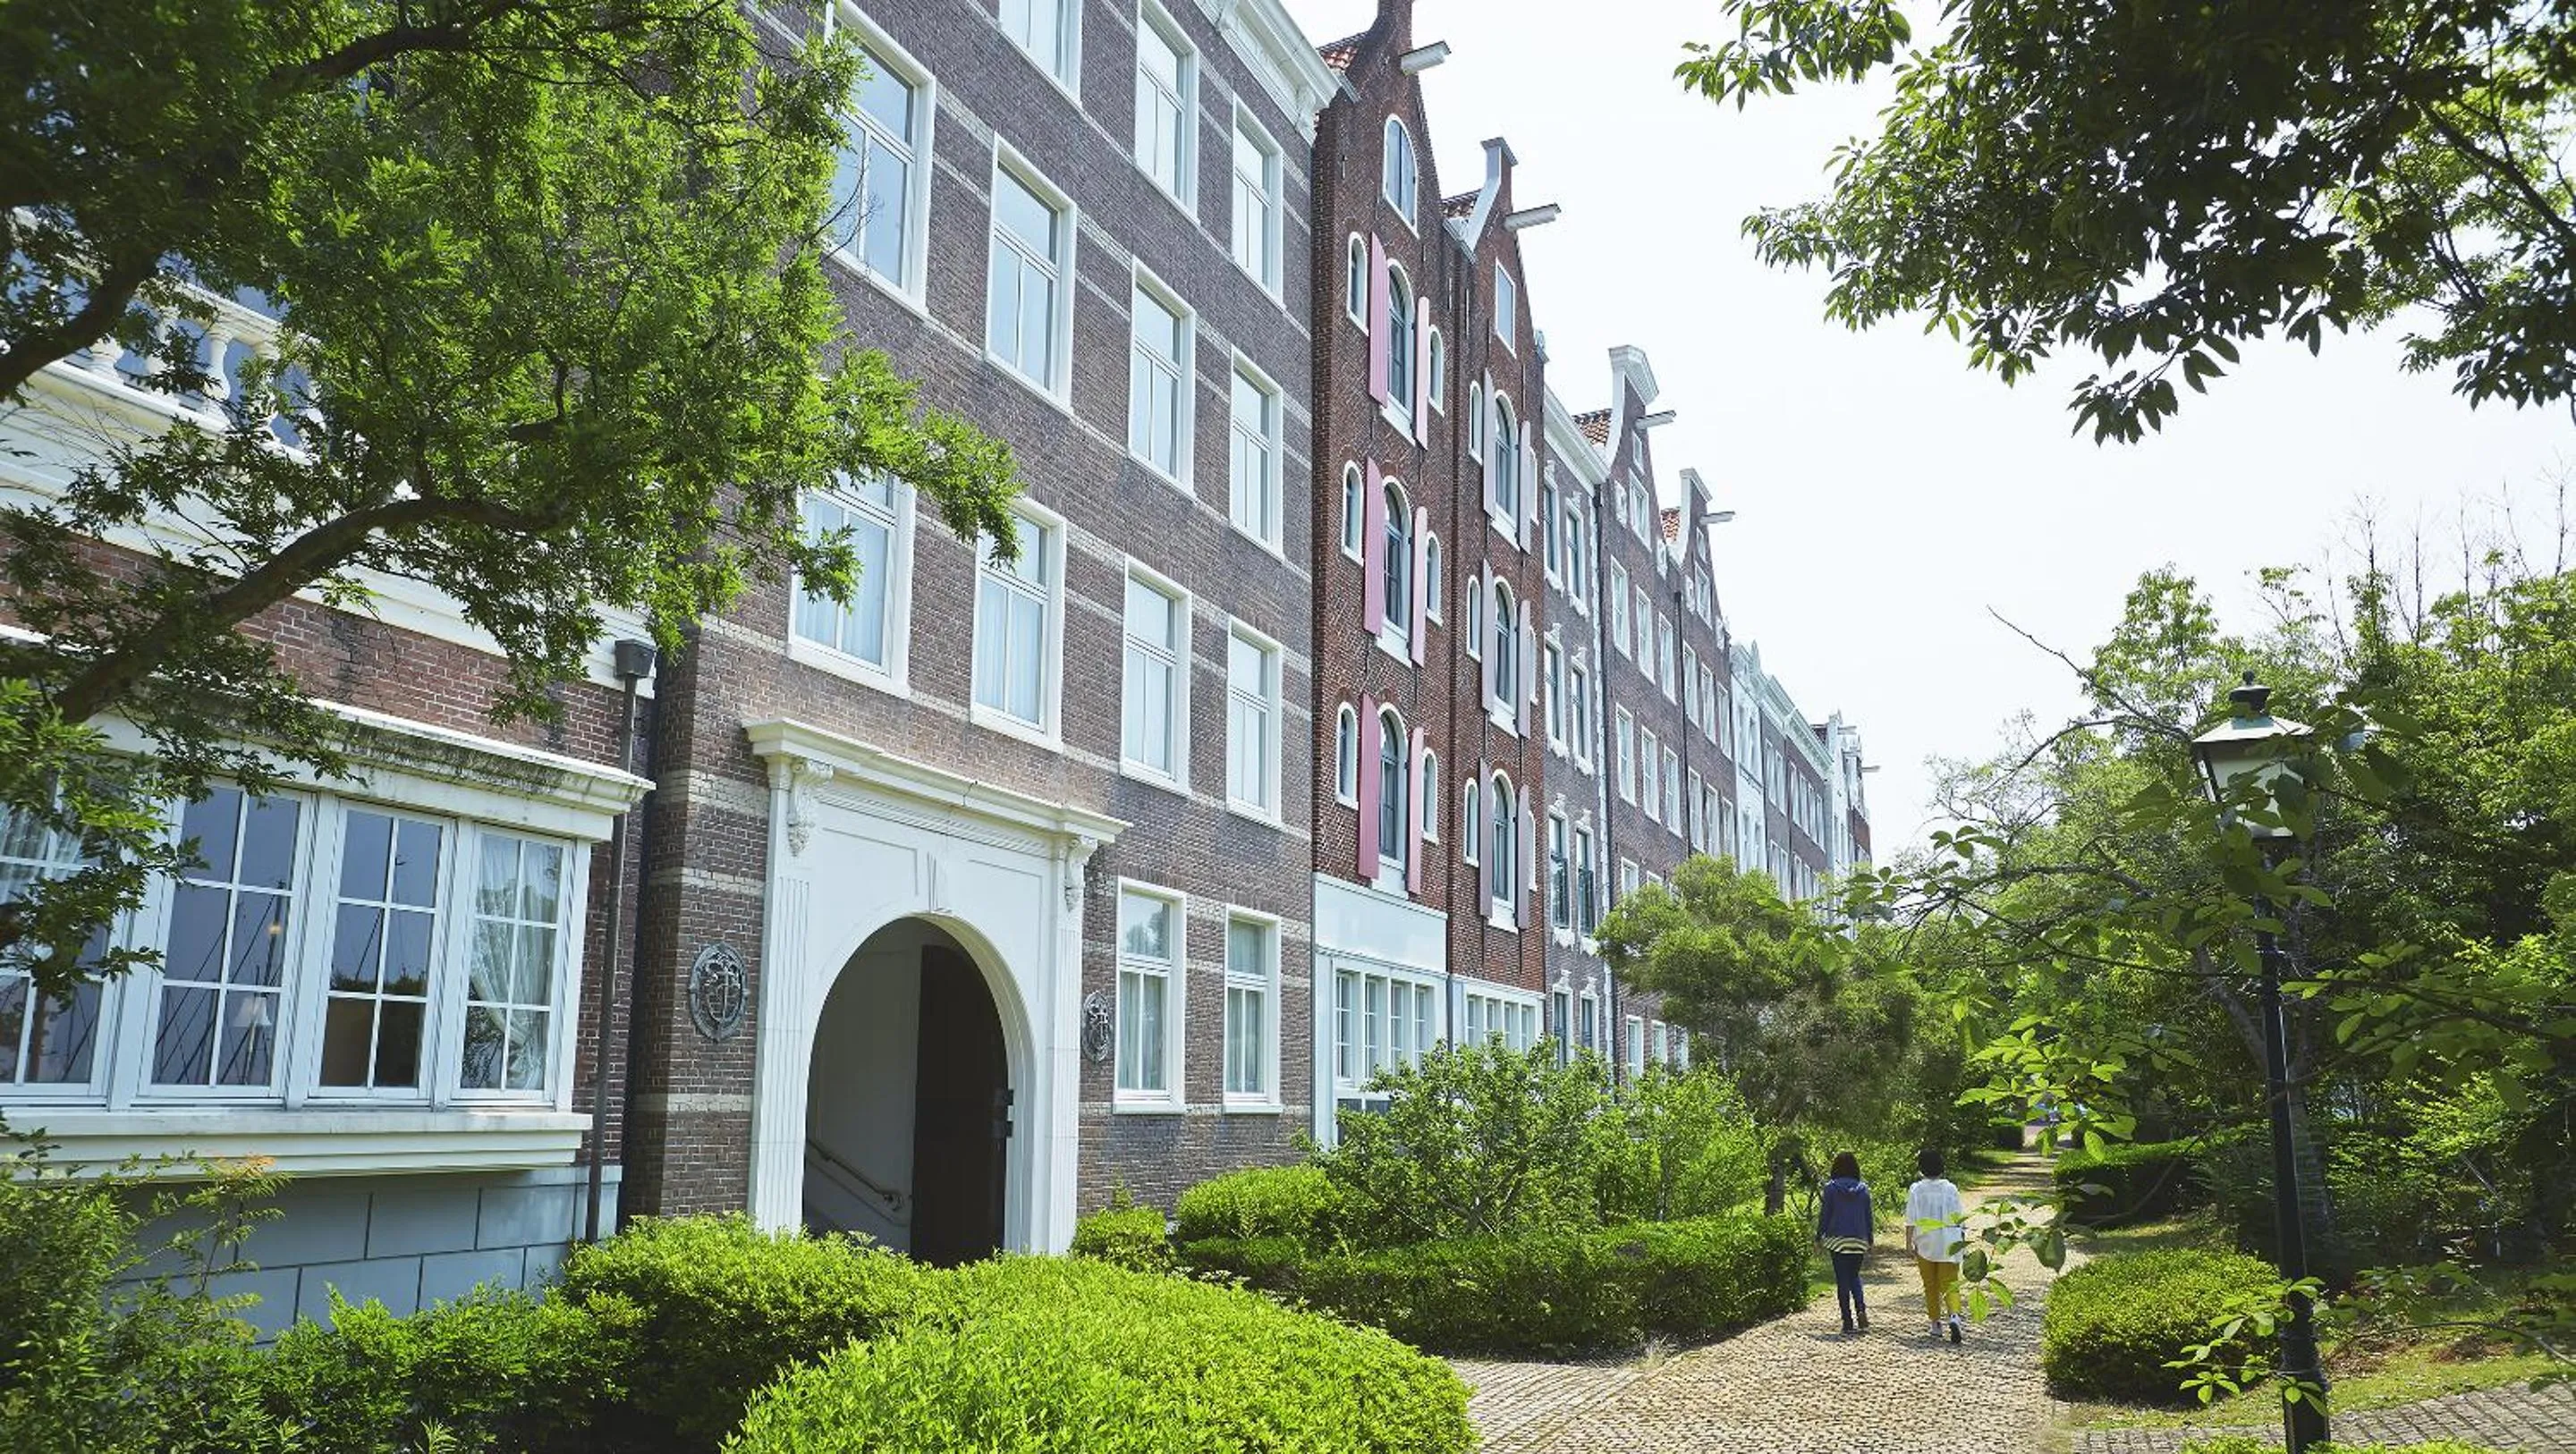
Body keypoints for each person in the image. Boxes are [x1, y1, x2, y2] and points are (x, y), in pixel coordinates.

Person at [1906, 1148, 1967, 1343]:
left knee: (1930, 1285)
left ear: (1921, 1168)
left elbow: (1911, 1218)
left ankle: (1935, 1324)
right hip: (1949, 1240)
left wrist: (1908, 1243)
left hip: (1925, 1243)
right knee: (1950, 1283)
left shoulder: (1916, 1189)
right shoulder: (1951, 1188)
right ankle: (1954, 1316)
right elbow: (1959, 1217)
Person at [1815, 1150, 1874, 1335]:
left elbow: (1826, 1214)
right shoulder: (1863, 1189)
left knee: (1842, 1279)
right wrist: (1870, 1238)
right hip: (1858, 1238)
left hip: (1837, 1238)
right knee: (1854, 1275)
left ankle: (1847, 1320)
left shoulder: (1831, 1188)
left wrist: (1819, 1236)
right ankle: (1861, 1309)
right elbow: (1868, 1215)